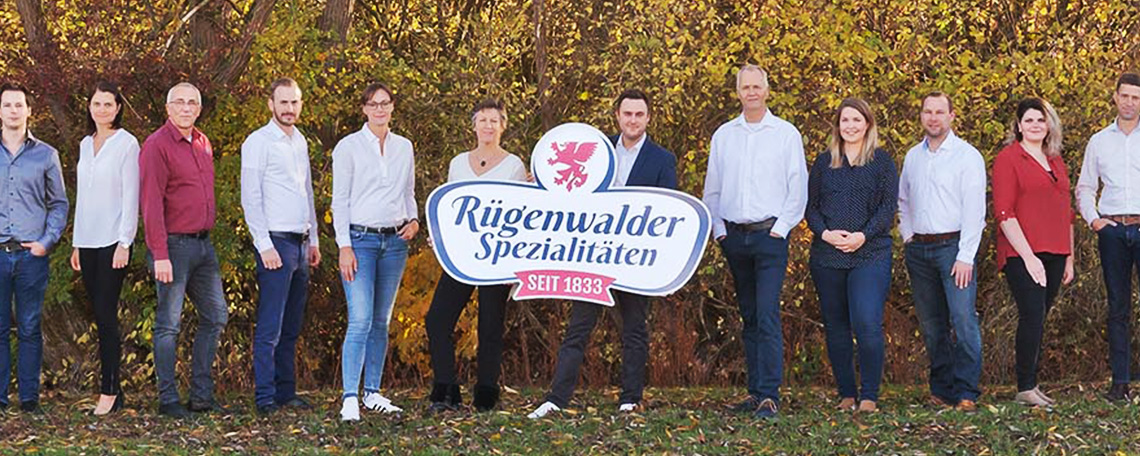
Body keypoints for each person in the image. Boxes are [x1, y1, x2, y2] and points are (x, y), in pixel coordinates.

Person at [528, 89, 678, 419]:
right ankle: (556, 399)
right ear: (618, 116)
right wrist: (540, 182)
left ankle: (630, 398)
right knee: (578, 327)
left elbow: (668, 213)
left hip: (635, 259)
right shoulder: (597, 150)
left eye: (639, 114)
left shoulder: (662, 160)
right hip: (593, 258)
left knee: (635, 329)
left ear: (648, 118)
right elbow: (567, 192)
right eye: (628, 114)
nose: (633, 120)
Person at [701, 65, 807, 419]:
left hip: (769, 237)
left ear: (766, 90)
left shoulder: (785, 134)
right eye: (745, 87)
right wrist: (719, 231)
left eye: (756, 86)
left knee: (767, 313)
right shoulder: (724, 135)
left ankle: (769, 396)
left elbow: (798, 187)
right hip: (734, 237)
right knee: (748, 316)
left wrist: (782, 228)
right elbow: (713, 188)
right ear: (738, 92)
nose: (751, 92)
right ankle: (754, 392)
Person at [425, 99, 527, 413]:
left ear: (503, 126)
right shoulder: (458, 163)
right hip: (461, 256)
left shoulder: (514, 166)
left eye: (494, 120)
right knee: (437, 319)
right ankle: (446, 391)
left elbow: (522, 216)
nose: (488, 126)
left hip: (497, 258)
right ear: (474, 126)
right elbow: (449, 207)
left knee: (490, 326)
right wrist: (439, 236)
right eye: (482, 120)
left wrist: (515, 267)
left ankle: (486, 395)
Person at [140, 82, 229, 418]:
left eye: (192, 103)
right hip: (173, 247)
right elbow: (150, 204)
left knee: (216, 315)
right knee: (168, 324)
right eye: (179, 102)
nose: (186, 108)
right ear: (168, 108)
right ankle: (168, 400)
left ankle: (201, 396)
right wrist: (159, 253)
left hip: (204, 246)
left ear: (199, 109)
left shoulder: (203, 142)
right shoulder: (156, 145)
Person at [332, 82, 419, 421]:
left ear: (392, 107)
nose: (379, 109)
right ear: (364, 109)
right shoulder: (349, 147)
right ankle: (349, 397)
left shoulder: (404, 147)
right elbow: (340, 201)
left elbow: (408, 192)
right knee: (360, 319)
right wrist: (344, 246)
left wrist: (414, 219)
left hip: (394, 243)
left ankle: (372, 392)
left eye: (385, 103)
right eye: (373, 104)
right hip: (360, 242)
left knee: (381, 321)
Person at [805, 98, 897, 414]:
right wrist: (825, 234)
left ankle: (869, 395)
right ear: (838, 125)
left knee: (867, 322)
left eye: (857, 120)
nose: (851, 126)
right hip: (828, 256)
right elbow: (811, 207)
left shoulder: (882, 162)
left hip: (870, 253)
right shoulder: (824, 163)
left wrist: (863, 236)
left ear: (867, 124)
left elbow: (887, 207)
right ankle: (846, 394)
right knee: (836, 327)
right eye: (845, 120)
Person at [898, 92, 987, 412]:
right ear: (921, 116)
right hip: (919, 249)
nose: (933, 118)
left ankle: (967, 391)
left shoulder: (967, 156)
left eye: (939, 112)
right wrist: (908, 236)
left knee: (963, 320)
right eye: (928, 112)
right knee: (932, 324)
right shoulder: (913, 157)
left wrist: (966, 256)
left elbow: (975, 210)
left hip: (954, 249)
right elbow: (903, 200)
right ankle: (942, 389)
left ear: (951, 116)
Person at [240, 78, 321, 416]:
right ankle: (265, 397)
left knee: (291, 325)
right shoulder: (258, 142)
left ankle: (287, 392)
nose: (289, 108)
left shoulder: (299, 140)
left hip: (301, 244)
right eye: (283, 102)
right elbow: (250, 197)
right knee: (270, 325)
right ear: (271, 104)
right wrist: (263, 245)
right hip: (275, 243)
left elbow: (306, 192)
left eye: (294, 102)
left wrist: (314, 239)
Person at [993, 97, 1074, 407]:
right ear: (1018, 125)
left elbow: (1066, 211)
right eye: (1029, 120)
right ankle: (1025, 387)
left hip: (1056, 250)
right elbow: (1004, 212)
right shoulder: (1009, 159)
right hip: (1021, 252)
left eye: (1041, 120)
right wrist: (1029, 258)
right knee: (1032, 314)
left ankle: (1033, 384)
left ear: (1049, 125)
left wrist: (1069, 257)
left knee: (1040, 317)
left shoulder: (1055, 160)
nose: (1035, 125)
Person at [70, 82, 139, 416]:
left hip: (113, 242)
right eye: (97, 103)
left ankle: (109, 391)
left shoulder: (127, 143)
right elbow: (83, 197)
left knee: (106, 315)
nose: (102, 109)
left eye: (108, 104)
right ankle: (115, 391)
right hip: (87, 242)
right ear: (89, 106)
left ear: (118, 108)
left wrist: (125, 242)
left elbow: (131, 196)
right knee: (99, 315)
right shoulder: (85, 144)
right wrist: (76, 242)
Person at [0, 82, 68, 413]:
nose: (13, 110)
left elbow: (59, 204)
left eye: (19, 105)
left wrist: (46, 242)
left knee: (29, 327)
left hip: (31, 256)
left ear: (29, 110)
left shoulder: (46, 155)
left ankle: (29, 399)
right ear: (0, 111)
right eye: (7, 105)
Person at [1075, 72, 1140, 403]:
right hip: (1112, 230)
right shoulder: (1099, 141)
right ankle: (1120, 383)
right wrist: (1094, 220)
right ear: (1115, 97)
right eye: (1124, 95)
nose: (1129, 102)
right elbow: (1086, 187)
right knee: (1117, 308)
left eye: (1136, 97)